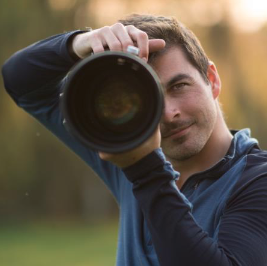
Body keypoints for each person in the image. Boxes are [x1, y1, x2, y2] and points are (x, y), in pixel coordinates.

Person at [2, 14, 267, 266]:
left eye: (179, 86)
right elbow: (20, 80)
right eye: (151, 98)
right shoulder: (128, 147)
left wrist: (145, 172)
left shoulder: (257, 180)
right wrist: (79, 43)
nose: (169, 113)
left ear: (212, 79)